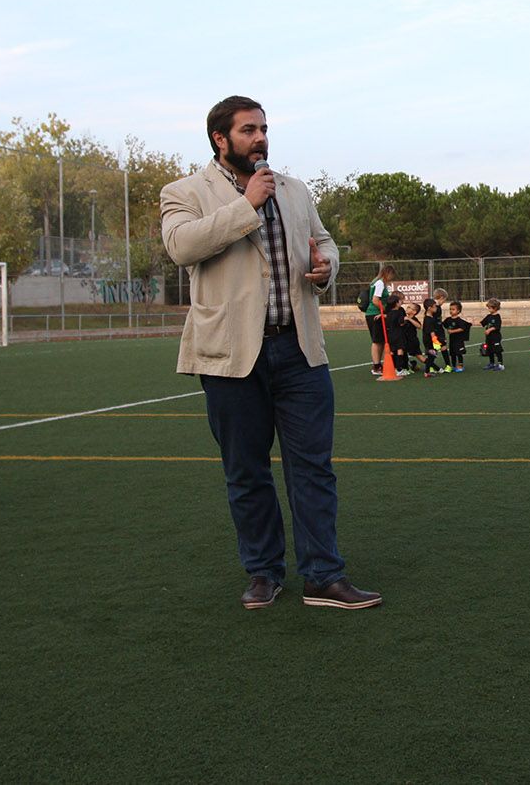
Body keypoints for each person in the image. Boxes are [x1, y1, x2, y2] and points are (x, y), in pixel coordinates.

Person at [160, 95, 378, 611]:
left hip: (298, 351)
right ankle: (263, 572)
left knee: (313, 469)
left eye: (263, 128)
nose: (260, 138)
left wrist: (328, 266)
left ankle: (324, 575)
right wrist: (246, 206)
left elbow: (324, 241)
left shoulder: (295, 190)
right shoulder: (185, 191)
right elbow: (182, 247)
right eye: (248, 130)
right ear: (221, 139)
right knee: (246, 471)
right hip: (232, 357)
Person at [363, 264, 396, 377]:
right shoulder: (380, 283)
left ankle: (379, 365)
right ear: (388, 273)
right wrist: (385, 311)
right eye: (391, 275)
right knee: (377, 341)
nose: (392, 278)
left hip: (375, 314)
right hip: (374, 314)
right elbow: (376, 300)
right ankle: (376, 366)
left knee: (381, 340)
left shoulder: (377, 282)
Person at [443, 301, 471, 371]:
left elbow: (462, 328)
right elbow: (444, 325)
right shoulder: (448, 319)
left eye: (453, 309)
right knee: (452, 353)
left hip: (459, 340)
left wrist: (452, 331)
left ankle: (460, 365)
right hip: (452, 340)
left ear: (458, 311)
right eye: (450, 309)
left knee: (459, 353)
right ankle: (453, 365)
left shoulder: (459, 320)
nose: (451, 311)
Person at [480, 299, 504, 370]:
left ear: (495, 308)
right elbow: (482, 323)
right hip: (489, 337)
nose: (488, 309)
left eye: (490, 308)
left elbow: (497, 326)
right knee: (489, 350)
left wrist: (489, 330)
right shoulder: (488, 316)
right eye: (488, 308)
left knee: (497, 350)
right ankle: (492, 363)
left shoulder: (497, 317)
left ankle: (500, 365)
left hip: (495, 337)